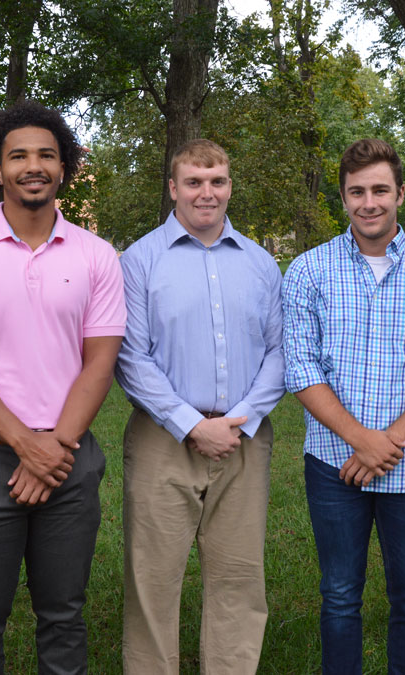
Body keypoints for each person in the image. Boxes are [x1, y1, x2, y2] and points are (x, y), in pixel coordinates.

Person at [0, 100, 126, 674]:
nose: (32, 166)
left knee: (64, 615)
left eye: (46, 155)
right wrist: (25, 445)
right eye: (18, 156)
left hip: (69, 457)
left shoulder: (96, 255)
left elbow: (99, 364)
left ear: (63, 169)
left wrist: (54, 448)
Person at [281, 138, 405, 674]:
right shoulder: (308, 271)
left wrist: (384, 446)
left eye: (380, 190)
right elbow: (302, 368)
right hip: (331, 463)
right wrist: (363, 441)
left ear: (401, 194)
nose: (369, 202)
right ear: (343, 199)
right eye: (357, 192)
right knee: (339, 596)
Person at [116, 139, 285, 674]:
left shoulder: (260, 264)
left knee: (239, 574)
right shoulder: (140, 261)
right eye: (193, 181)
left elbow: (281, 351)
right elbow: (131, 357)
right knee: (153, 578)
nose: (206, 193)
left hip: (244, 439)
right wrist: (191, 425)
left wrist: (241, 419)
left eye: (217, 181)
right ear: (173, 189)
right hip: (162, 437)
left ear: (230, 186)